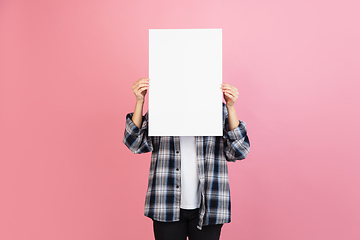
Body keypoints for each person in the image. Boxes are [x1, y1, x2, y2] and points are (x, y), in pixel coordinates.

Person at [123, 78, 250, 240]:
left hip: (209, 205)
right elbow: (135, 143)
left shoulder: (217, 111)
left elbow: (239, 151)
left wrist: (231, 107)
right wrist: (140, 101)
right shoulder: (162, 109)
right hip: (165, 204)